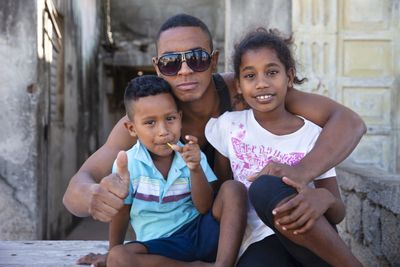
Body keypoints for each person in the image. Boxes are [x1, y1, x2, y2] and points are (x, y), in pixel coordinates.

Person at [64, 13, 365, 265]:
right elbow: (77, 187)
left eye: (195, 58)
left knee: (258, 191)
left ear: (213, 60)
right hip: (220, 237)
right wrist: (94, 197)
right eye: (171, 62)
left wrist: (302, 172)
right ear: (157, 67)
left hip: (249, 219)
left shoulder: (248, 88)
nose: (184, 71)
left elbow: (349, 122)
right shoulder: (151, 119)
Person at [205, 28, 362, 267]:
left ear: (289, 77)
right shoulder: (229, 127)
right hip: (258, 241)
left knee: (264, 187)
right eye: (250, 76)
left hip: (311, 237)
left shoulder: (312, 135)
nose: (261, 84)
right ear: (237, 84)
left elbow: (337, 211)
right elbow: (224, 188)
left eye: (272, 72)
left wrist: (323, 199)